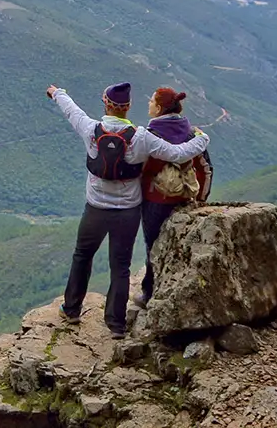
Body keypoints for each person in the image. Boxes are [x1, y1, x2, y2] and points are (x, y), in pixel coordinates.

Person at [45, 81, 210, 337]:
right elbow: (179, 154)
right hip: (128, 212)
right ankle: (116, 325)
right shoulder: (142, 138)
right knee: (120, 266)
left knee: (82, 256)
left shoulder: (91, 130)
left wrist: (58, 93)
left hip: (96, 208)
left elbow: (72, 111)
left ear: (106, 104)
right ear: (128, 106)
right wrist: (202, 138)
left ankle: (71, 310)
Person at [136, 86, 213, 308]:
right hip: (184, 198)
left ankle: (150, 293)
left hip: (155, 201)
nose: (149, 103)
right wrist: (200, 198)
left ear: (159, 108)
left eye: (151, 100)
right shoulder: (192, 134)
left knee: (153, 245)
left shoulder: (151, 136)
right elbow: (205, 168)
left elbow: (142, 170)